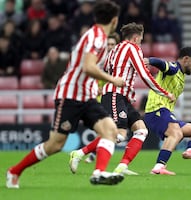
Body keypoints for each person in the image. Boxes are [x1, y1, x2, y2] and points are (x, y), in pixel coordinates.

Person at [6, 1, 125, 189]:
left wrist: (94, 87)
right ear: (115, 20)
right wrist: (112, 80)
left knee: (109, 130)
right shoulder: (97, 38)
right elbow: (88, 67)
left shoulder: (96, 35)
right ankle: (14, 171)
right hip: (70, 96)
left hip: (85, 96)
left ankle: (99, 172)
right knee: (55, 145)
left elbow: (84, 69)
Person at [69, 22, 175, 175]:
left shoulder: (114, 50)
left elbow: (106, 69)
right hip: (115, 94)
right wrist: (164, 92)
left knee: (141, 130)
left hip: (121, 96)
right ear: (136, 38)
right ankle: (79, 153)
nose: (141, 42)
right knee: (117, 134)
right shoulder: (133, 48)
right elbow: (144, 74)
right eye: (141, 39)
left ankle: (122, 167)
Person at [143, 47, 191, 175]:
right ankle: (159, 167)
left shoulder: (181, 76)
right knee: (176, 134)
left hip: (164, 112)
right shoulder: (174, 68)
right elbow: (162, 64)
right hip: (156, 109)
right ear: (186, 59)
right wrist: (148, 60)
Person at [84, 32, 120, 163]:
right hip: (99, 98)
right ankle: (92, 154)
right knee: (107, 128)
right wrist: (94, 86)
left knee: (108, 129)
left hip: (112, 96)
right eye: (108, 44)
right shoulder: (99, 59)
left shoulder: (118, 60)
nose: (110, 46)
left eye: (112, 44)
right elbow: (89, 73)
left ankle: (92, 153)